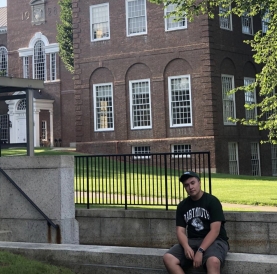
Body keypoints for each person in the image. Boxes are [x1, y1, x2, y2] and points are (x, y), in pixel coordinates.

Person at [163, 171, 229, 274]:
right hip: (192, 240)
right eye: (187, 185)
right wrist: (186, 247)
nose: (190, 187)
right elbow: (180, 231)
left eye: (193, 183)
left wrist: (200, 251)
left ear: (199, 183)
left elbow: (215, 231)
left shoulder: (212, 201)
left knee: (213, 261)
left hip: (216, 240)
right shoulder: (182, 206)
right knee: (168, 258)